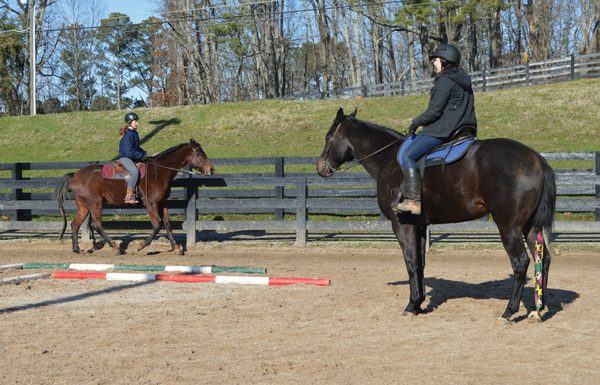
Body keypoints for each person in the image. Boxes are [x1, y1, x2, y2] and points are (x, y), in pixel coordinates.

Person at [393, 43, 477, 215]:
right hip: (466, 129)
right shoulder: (463, 80)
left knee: (408, 156)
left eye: (436, 60)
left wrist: (415, 122)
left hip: (444, 130)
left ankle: (413, 201)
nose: (434, 63)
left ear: (445, 61)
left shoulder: (445, 81)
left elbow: (434, 112)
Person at [118, 112, 148, 204]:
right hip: (125, 157)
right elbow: (129, 152)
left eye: (137, 121)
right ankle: (129, 195)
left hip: (131, 156)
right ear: (130, 122)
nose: (137, 123)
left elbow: (136, 147)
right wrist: (140, 155)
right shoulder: (129, 135)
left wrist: (143, 153)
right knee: (135, 172)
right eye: (135, 121)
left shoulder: (133, 133)